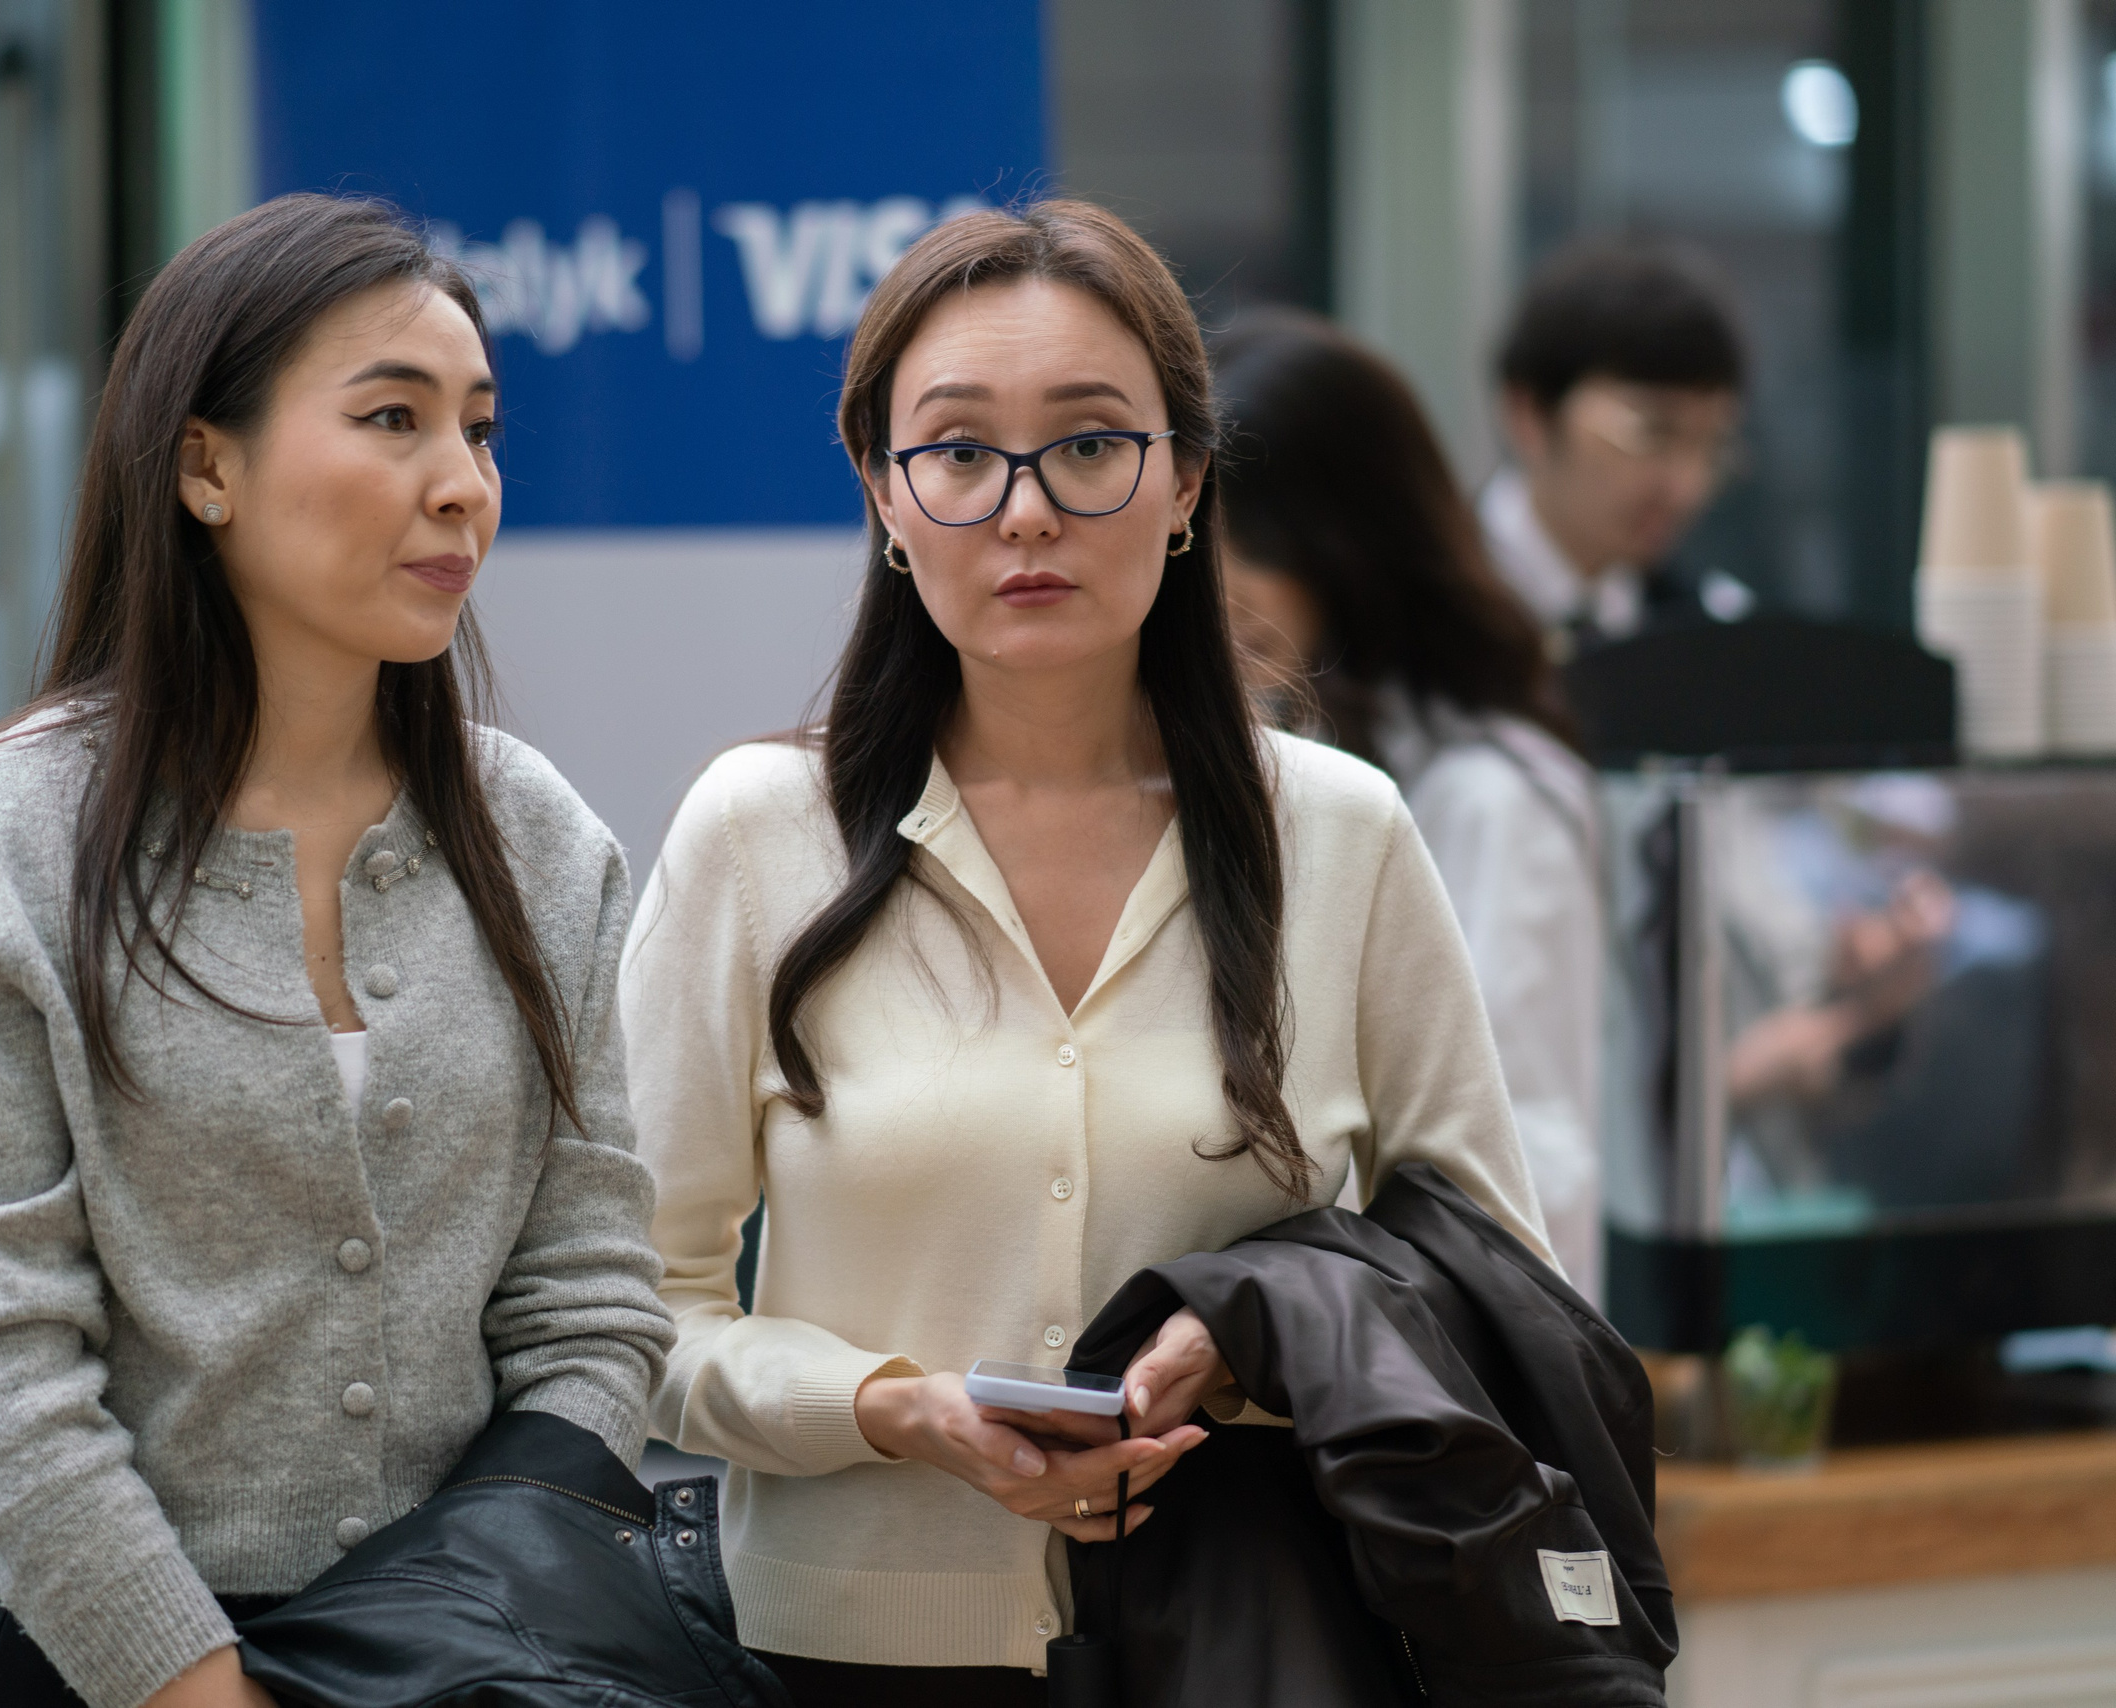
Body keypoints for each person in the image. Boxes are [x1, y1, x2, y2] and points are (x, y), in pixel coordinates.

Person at [621, 201, 1550, 1707]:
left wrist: (1250, 1355)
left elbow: (1498, 1276)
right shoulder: (757, 833)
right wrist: (887, 1408)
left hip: (1257, 1643)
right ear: (882, 494)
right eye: (960, 452)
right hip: (847, 1657)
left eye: (1090, 443)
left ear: (1185, 482)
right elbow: (631, 1310)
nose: (1026, 509)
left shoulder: (1341, 834)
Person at [0, 195, 673, 1708]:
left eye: (481, 432)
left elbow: (593, 1299)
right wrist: (200, 1688)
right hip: (91, 1662)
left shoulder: (535, 835)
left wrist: (467, 1623)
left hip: (476, 1659)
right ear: (205, 464)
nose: (462, 487)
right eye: (392, 419)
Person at [1211, 307, 1606, 1301]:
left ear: (1346, 538)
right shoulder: (1279, 757)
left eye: (1250, 542)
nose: (1216, 588)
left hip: (1437, 1382)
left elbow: (1519, 1163)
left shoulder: (1483, 793)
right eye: (1189, 543)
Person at [1483, 240, 1751, 655]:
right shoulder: (1409, 606)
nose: (1687, 488)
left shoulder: (1720, 631)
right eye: (1652, 434)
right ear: (1530, 415)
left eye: (1711, 446)